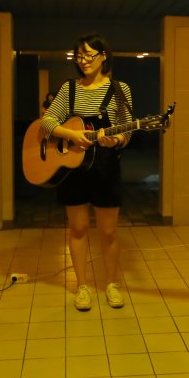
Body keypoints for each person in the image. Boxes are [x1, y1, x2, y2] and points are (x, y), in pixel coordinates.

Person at [39, 33, 133, 311]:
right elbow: (46, 121)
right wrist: (71, 134)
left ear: (103, 56)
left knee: (109, 232)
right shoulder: (68, 89)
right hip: (74, 167)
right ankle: (82, 286)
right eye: (79, 56)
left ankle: (111, 284)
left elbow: (127, 128)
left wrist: (115, 140)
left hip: (106, 165)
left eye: (89, 55)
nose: (83, 61)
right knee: (78, 229)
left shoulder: (120, 89)